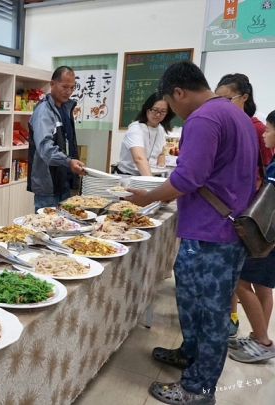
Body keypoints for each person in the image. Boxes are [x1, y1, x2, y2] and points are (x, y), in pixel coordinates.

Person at [125, 61, 258, 405]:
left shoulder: (202, 118)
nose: (174, 113)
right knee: (199, 304)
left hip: (210, 233)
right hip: (226, 229)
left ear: (179, 92)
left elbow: (187, 179)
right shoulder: (237, 115)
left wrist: (147, 197)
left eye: (171, 103)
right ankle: (190, 353)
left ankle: (198, 388)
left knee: (209, 313)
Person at [214, 73, 274, 337]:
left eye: (226, 99)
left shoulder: (256, 127)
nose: (221, 105)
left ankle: (259, 337)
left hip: (258, 218)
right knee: (242, 278)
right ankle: (240, 323)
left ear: (244, 97)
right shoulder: (232, 123)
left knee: (247, 278)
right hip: (245, 212)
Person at [227, 110, 275, 363]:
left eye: (268, 130)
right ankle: (259, 337)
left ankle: (264, 342)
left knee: (241, 284)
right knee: (264, 288)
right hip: (272, 238)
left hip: (266, 236)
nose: (264, 134)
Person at [27, 66, 86, 210]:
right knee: (47, 228)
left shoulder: (65, 108)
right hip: (48, 183)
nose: (69, 92)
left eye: (72, 87)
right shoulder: (44, 112)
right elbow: (45, 147)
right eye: (65, 86)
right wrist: (68, 161)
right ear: (52, 84)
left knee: (64, 227)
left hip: (64, 180)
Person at [114, 92, 174, 176]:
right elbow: (139, 159)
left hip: (149, 174)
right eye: (155, 110)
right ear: (147, 108)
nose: (158, 114)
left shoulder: (160, 129)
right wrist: (150, 181)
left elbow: (160, 153)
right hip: (129, 176)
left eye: (163, 111)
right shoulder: (136, 129)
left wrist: (160, 167)